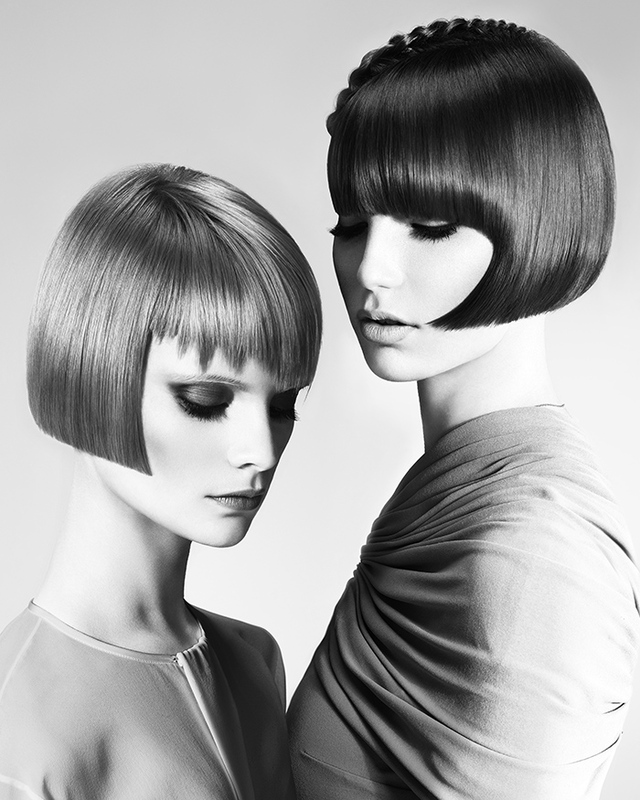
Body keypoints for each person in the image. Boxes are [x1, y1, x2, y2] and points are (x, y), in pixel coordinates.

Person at [288, 17, 640, 800]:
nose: (371, 268)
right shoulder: (460, 494)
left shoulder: (531, 556)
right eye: (352, 224)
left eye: (430, 227)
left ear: (542, 223)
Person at [0, 163, 322, 799]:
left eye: (283, 405)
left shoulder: (253, 661)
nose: (261, 450)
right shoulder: (19, 738)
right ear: (92, 372)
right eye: (206, 399)